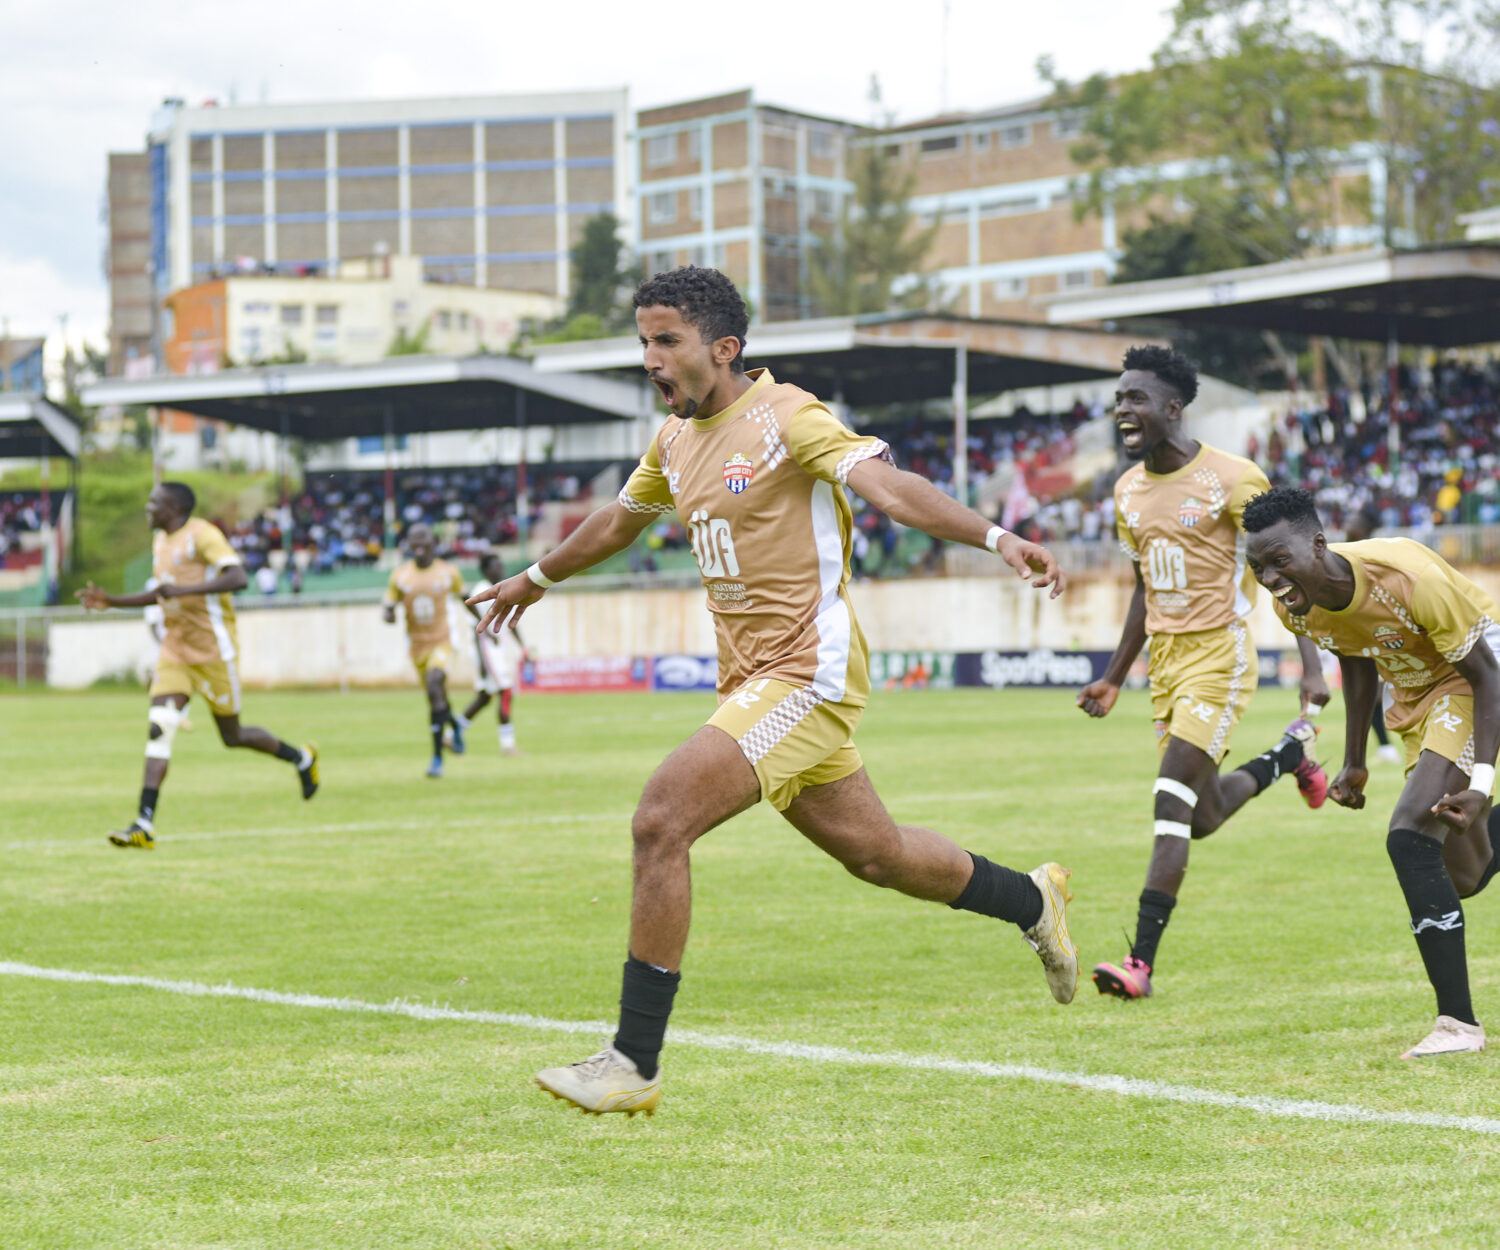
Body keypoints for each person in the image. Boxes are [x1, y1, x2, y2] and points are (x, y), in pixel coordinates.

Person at [471, 265, 1075, 1117]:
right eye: (643, 340)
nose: (650, 358)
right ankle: (1032, 899)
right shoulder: (675, 439)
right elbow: (619, 520)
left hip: (808, 674)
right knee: (879, 853)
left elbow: (888, 489)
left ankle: (632, 1062)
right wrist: (533, 576)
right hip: (753, 680)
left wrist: (997, 536)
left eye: (666, 340)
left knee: (660, 817)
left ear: (724, 348)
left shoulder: (791, 416)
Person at [1076, 346, 1330, 1001]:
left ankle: (1140, 963)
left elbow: (1287, 571)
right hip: (1165, 664)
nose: (1122, 410)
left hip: (1220, 656)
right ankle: (1290, 756)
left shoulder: (1232, 478)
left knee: (1170, 800)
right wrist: (1113, 676)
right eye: (1118, 399)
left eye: (1135, 399)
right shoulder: (1126, 491)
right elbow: (1142, 588)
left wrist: (1310, 662)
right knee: (1204, 815)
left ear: (1172, 408)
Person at [1244, 486, 1498, 1058]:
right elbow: (1355, 658)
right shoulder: (1296, 607)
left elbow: (1486, 675)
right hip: (1417, 695)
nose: (1270, 577)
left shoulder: (1407, 575)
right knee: (1464, 873)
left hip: (1474, 674)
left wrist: (1480, 784)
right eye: (1256, 566)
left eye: (1279, 560)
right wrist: (1356, 760)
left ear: (1317, 543)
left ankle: (1458, 1026)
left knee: (1409, 836)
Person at [76, 482, 319, 848]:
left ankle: (301, 758)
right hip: (176, 650)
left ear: (173, 507)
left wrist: (185, 592)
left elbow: (238, 577)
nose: (147, 507)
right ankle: (144, 824)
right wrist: (112, 601)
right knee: (161, 726)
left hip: (213, 653)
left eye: (154, 502)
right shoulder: (160, 541)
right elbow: (161, 592)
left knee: (233, 736)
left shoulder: (203, 535)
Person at [383, 523, 466, 778]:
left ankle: (437, 757)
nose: (419, 542)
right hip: (417, 647)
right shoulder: (400, 576)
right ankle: (453, 724)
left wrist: (486, 625)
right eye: (413, 538)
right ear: (407, 544)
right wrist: (388, 614)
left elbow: (464, 597)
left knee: (434, 683)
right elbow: (389, 605)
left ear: (434, 541)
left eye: (424, 537)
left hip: (444, 642)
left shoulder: (448, 572)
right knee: (436, 696)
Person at [1344, 505, 1402, 765]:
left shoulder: (1375, 553)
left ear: (1365, 528)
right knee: (1371, 694)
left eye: (1353, 521)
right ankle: (1385, 748)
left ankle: (1388, 747)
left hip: (1379, 631)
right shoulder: (1341, 554)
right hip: (1359, 632)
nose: (1347, 525)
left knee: (1376, 694)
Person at [456, 552, 529, 755]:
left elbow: (511, 620)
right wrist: (481, 662)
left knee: (484, 698)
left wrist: (523, 646)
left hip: (497, 649)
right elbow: (476, 628)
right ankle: (507, 745)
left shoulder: (505, 588)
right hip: (487, 650)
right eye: (496, 565)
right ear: (486, 570)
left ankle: (453, 733)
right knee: (505, 691)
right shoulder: (482, 591)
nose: (501, 569)